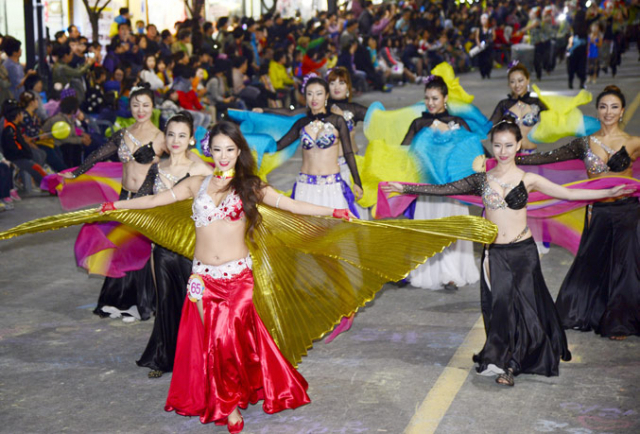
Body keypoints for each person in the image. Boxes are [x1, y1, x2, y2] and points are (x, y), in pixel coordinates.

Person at [104, 121, 352, 431]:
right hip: (202, 279)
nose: (223, 156)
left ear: (239, 152)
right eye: (218, 149)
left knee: (228, 340)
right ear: (210, 150)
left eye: (230, 150)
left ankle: (235, 398)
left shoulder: (250, 186)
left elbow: (290, 204)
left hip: (238, 279)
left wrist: (333, 212)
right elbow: (155, 201)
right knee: (213, 342)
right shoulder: (197, 184)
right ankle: (230, 401)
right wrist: (117, 206)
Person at [383, 117, 633, 386]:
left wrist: (607, 190)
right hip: (495, 254)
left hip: (524, 252)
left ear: (518, 146)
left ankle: (512, 365)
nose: (502, 151)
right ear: (492, 146)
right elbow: (444, 189)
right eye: (498, 145)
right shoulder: (482, 180)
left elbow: (568, 194)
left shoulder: (528, 178)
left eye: (508, 145)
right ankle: (502, 355)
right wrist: (405, 187)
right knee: (501, 308)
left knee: (525, 309)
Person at [515, 85, 640, 340]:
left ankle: (620, 322)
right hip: (599, 210)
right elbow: (548, 157)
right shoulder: (585, 143)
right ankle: (588, 311)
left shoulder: (634, 142)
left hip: (628, 211)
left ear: (622, 111)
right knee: (592, 262)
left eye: (614, 107)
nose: (608, 112)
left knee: (626, 266)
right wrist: (510, 159)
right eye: (603, 106)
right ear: (598, 110)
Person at [59, 84, 167, 321]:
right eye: (136, 105)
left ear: (153, 107)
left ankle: (142, 304)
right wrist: (77, 172)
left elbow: (177, 162)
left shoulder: (161, 137)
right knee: (120, 246)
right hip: (124, 196)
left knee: (140, 248)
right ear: (130, 107)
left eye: (145, 105)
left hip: (145, 201)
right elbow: (100, 153)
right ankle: (118, 301)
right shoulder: (124, 133)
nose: (141, 110)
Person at [135, 112, 213, 378]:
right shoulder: (156, 169)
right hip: (163, 248)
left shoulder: (202, 170)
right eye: (171, 134)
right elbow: (142, 203)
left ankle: (202, 357)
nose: (176, 140)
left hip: (194, 247)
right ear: (165, 138)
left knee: (196, 302)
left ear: (191, 139)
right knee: (166, 302)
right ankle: (164, 356)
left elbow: (222, 200)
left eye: (182, 135)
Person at [399, 75, 481, 290]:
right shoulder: (418, 124)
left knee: (450, 231)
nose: (430, 103)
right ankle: (426, 272)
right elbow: (403, 154)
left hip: (452, 192)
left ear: (445, 98)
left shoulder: (458, 123)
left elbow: (473, 153)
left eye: (435, 98)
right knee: (430, 231)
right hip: (428, 190)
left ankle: (450, 274)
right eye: (427, 98)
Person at [274, 76, 363, 215]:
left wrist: (357, 181)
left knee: (334, 234)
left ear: (326, 95)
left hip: (331, 187)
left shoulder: (338, 121)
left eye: (319, 93)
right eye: (309, 94)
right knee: (307, 234)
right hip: (305, 187)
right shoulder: (301, 123)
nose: (314, 98)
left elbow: (348, 153)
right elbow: (278, 145)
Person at [489, 62, 547, 153]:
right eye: (512, 82)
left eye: (520, 80)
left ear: (528, 80)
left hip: (532, 157)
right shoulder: (504, 104)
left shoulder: (537, 103)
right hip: (510, 158)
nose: (517, 85)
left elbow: (556, 118)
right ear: (509, 84)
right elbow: (489, 127)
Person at [1, 99, 47, 188]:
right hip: (16, 158)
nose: (23, 115)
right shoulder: (9, 128)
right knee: (36, 168)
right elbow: (13, 147)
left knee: (38, 158)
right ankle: (47, 185)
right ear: (17, 116)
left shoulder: (14, 126)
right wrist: (25, 153)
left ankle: (44, 184)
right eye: (21, 113)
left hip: (20, 156)